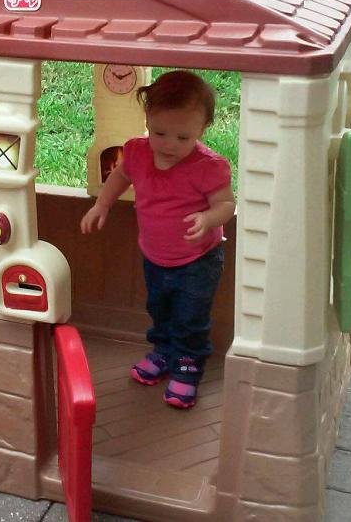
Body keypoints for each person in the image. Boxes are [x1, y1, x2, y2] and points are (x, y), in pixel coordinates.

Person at [80, 70, 235, 409]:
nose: (169, 144)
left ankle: (187, 367)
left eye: (183, 137)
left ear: (203, 129)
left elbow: (226, 204)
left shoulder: (208, 167)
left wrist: (208, 218)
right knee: (159, 307)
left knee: (190, 317)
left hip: (198, 260)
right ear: (147, 119)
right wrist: (102, 204)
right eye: (159, 133)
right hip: (154, 255)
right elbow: (120, 175)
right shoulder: (137, 152)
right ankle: (164, 351)